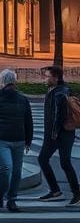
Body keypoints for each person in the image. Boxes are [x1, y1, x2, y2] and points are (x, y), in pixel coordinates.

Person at [0, 69, 33, 212]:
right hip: (1, 139)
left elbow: (28, 120)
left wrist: (28, 139)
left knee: (16, 171)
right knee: (7, 167)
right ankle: (0, 190)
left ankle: (12, 199)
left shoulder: (21, 99)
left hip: (17, 139)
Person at [37, 65, 79, 204]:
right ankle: (56, 190)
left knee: (61, 161)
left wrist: (53, 133)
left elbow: (58, 116)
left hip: (59, 134)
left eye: (48, 76)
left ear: (55, 78)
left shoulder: (59, 93)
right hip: (62, 133)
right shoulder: (57, 90)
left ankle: (74, 193)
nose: (45, 79)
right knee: (56, 161)